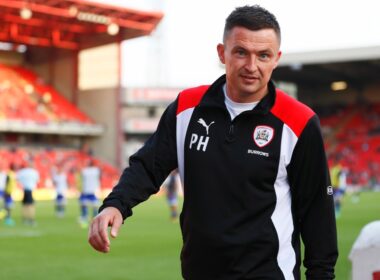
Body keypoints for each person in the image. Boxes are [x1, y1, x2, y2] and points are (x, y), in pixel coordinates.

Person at [88, 5, 338, 279]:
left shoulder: (299, 122)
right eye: (241, 52)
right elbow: (148, 166)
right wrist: (116, 204)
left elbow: (317, 212)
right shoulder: (186, 108)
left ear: (276, 58)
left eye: (263, 55)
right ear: (222, 53)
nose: (252, 66)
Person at [79, 159, 101, 228]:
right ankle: (94, 220)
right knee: (94, 206)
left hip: (85, 190)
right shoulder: (96, 170)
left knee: (84, 206)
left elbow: (80, 176)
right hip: (93, 190)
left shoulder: (85, 171)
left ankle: (84, 219)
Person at [17, 161, 40, 226]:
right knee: (31, 205)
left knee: (24, 205)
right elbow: (37, 181)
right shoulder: (34, 172)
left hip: (24, 189)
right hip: (30, 189)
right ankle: (31, 219)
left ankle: (24, 219)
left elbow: (18, 179)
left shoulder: (22, 171)